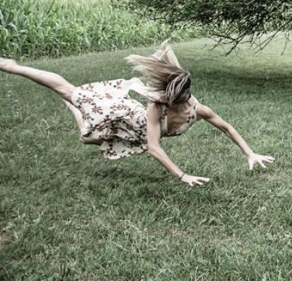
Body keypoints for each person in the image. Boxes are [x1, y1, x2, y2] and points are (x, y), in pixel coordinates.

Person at [0, 41, 274, 186]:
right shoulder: (157, 106)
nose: (168, 102)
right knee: (67, 90)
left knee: (85, 138)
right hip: (126, 116)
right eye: (166, 99)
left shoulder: (197, 110)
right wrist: (182, 175)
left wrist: (250, 153)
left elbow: (226, 127)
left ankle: (74, 108)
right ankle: (12, 66)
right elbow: (154, 147)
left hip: (134, 135)